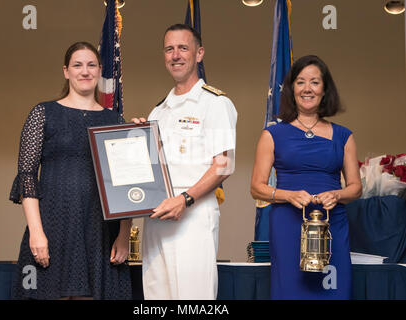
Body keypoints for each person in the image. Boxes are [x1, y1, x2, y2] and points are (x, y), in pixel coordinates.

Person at [9, 41, 132, 300]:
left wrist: (123, 236)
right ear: (66, 71)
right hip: (52, 227)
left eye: (91, 65)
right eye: (77, 65)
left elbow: (125, 185)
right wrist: (36, 232)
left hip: (99, 232)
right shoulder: (43, 113)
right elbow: (27, 177)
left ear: (99, 71)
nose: (84, 71)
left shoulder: (115, 121)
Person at [133, 24, 237, 300]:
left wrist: (185, 200)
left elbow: (223, 165)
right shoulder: (159, 110)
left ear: (199, 53)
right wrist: (134, 139)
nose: (175, 55)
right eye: (169, 49)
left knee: (193, 300)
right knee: (157, 297)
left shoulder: (215, 103)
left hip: (193, 216)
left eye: (183, 48)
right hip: (156, 217)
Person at [250, 55, 362, 299]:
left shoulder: (344, 136)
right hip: (287, 224)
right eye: (301, 82)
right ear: (291, 89)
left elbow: (356, 188)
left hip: (332, 224)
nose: (307, 89)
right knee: (290, 290)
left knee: (333, 291)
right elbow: (257, 188)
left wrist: (337, 194)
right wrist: (287, 195)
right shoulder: (272, 134)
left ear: (325, 89)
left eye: (314, 82)